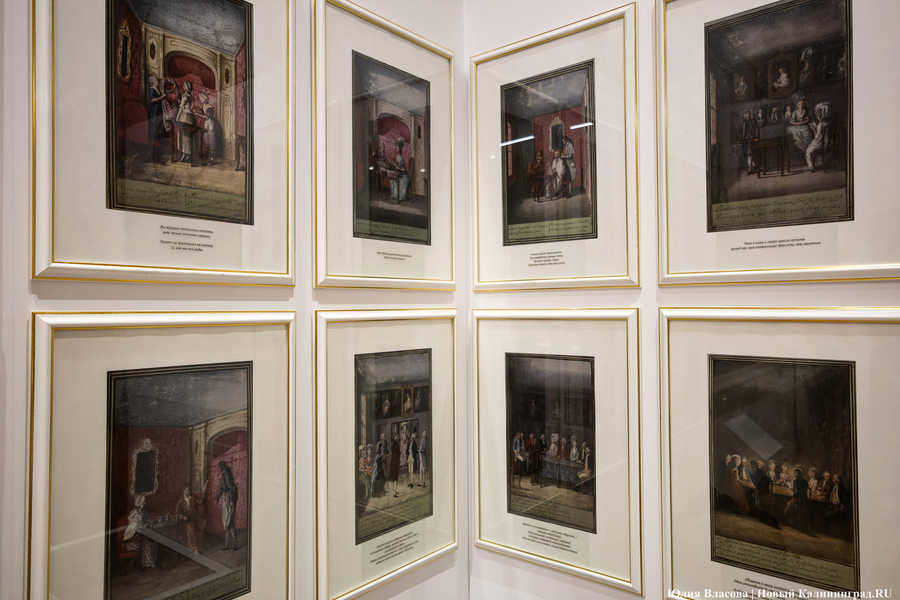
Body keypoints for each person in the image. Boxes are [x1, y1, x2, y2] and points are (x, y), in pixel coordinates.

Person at [175, 484, 207, 553]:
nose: (188, 491)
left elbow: (201, 502)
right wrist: (182, 517)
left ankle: (200, 546)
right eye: (186, 490)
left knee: (204, 522)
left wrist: (204, 493)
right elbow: (177, 513)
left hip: (196, 519)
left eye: (189, 489)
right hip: (187, 520)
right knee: (190, 527)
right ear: (183, 491)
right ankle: (194, 548)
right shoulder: (181, 501)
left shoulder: (193, 498)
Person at [215, 460, 239, 551]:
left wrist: (232, 500)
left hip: (230, 499)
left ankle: (235, 543)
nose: (219, 469)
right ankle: (227, 545)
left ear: (222, 467)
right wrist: (217, 498)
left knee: (230, 522)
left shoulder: (227, 474)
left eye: (219, 467)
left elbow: (231, 488)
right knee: (226, 522)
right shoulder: (223, 474)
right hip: (226, 499)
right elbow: (221, 488)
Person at [804, 103, 831, 171]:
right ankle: (819, 163)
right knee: (811, 146)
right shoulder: (827, 123)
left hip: (820, 143)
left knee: (808, 151)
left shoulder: (820, 125)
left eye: (818, 113)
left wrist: (814, 130)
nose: (817, 115)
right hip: (826, 143)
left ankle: (811, 166)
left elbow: (818, 137)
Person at [198, 93, 222, 166]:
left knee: (211, 141)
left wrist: (198, 114)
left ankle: (212, 159)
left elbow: (207, 116)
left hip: (211, 124)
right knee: (206, 140)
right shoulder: (203, 106)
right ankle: (208, 158)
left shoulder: (209, 107)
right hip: (206, 124)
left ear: (204, 99)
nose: (200, 100)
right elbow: (204, 113)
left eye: (201, 99)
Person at [175, 81, 196, 163]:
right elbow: (187, 106)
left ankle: (184, 155)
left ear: (186, 88)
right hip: (190, 117)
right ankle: (187, 155)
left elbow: (181, 108)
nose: (183, 87)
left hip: (184, 117)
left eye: (184, 86)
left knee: (184, 136)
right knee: (188, 136)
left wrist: (177, 117)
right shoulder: (190, 97)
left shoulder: (184, 97)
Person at [390, 138, 411, 203]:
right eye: (396, 148)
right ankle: (394, 195)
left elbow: (403, 169)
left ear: (400, 148)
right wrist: (394, 165)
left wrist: (397, 167)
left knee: (400, 181)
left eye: (397, 148)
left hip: (403, 175)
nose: (396, 150)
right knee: (392, 179)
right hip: (399, 173)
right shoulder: (397, 156)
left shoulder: (401, 158)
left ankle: (400, 196)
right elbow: (397, 164)